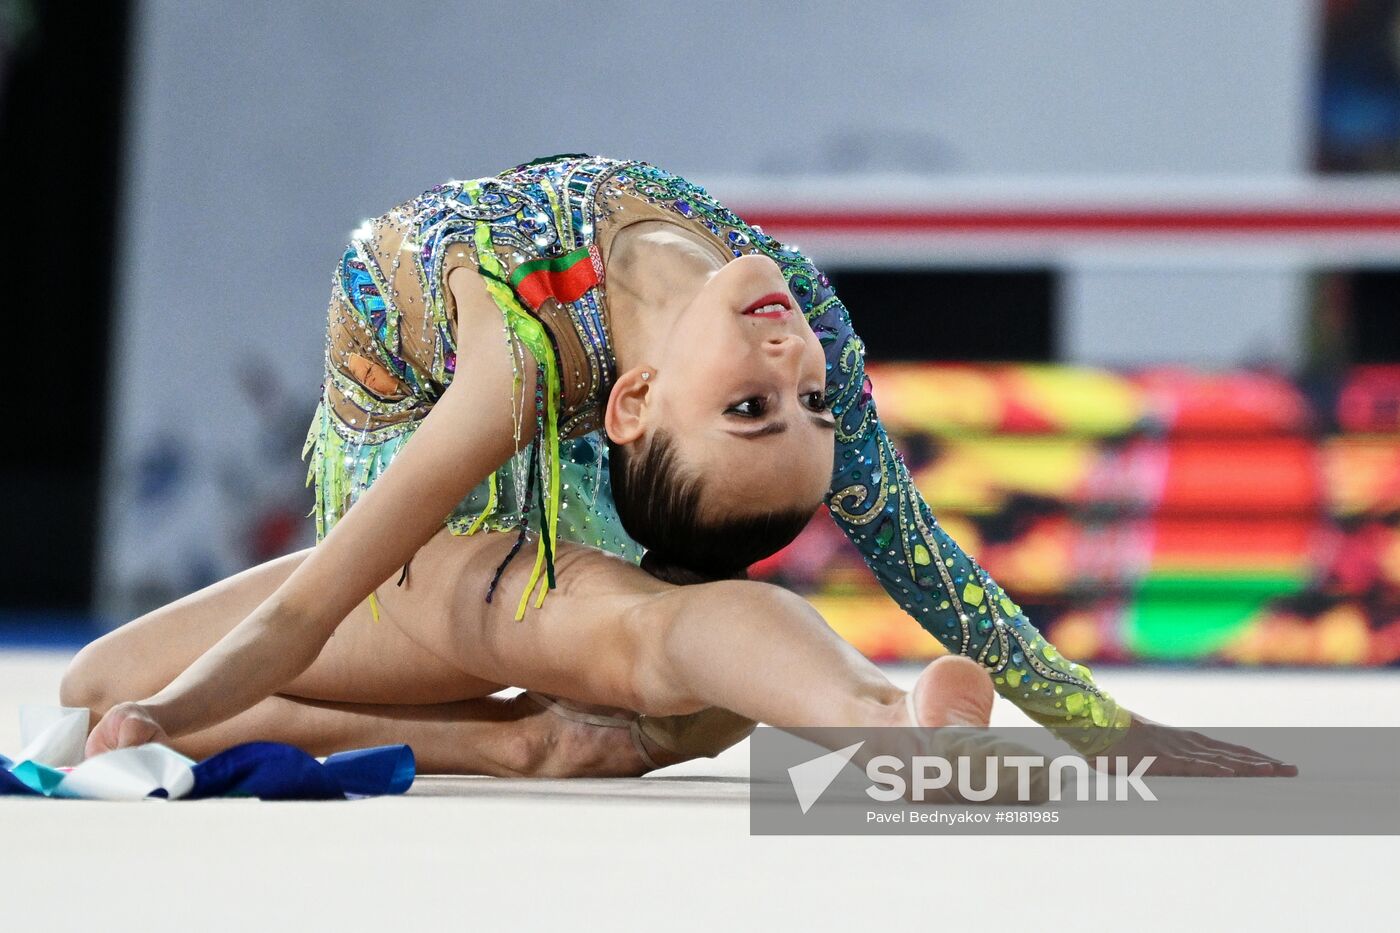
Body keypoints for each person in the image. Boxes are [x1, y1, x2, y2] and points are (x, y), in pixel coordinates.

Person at [63, 154, 1290, 778]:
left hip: (470, 540)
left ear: (637, 405)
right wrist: (158, 709)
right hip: (427, 516)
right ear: (635, 404)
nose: (797, 367)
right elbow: (302, 603)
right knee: (94, 681)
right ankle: (535, 743)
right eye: (794, 404)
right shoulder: (794, 301)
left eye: (775, 405)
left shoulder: (526, 361)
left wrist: (1106, 731)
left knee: (649, 634)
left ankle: (876, 721)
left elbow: (311, 599)